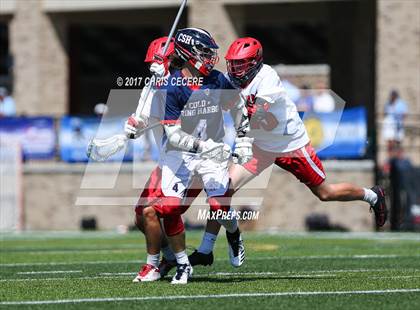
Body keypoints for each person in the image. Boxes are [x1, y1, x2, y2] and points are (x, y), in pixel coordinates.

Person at [189, 37, 388, 267]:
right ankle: (207, 249)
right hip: (260, 147)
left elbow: (260, 115)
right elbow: (201, 81)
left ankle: (373, 195)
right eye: (232, 64)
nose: (234, 70)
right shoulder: (233, 80)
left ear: (254, 63)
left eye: (240, 65)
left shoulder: (267, 77)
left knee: (325, 193)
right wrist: (176, 68)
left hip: (290, 145)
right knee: (221, 191)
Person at [129, 28, 247, 284]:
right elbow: (162, 129)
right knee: (164, 209)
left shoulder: (216, 80)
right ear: (187, 53)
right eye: (204, 52)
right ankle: (180, 263)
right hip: (182, 153)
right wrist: (134, 123)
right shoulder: (170, 85)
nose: (209, 57)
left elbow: (238, 106)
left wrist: (244, 139)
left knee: (218, 207)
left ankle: (234, 232)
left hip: (211, 153)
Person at [382, 90, 408, 158]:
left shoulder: (401, 104)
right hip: (390, 125)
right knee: (390, 143)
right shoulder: (388, 103)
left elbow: (404, 115)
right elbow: (385, 113)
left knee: (398, 143)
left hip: (398, 124)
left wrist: (401, 122)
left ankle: (399, 158)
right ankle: (391, 158)